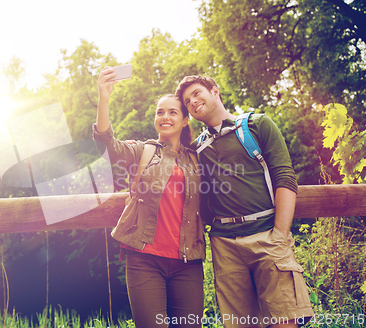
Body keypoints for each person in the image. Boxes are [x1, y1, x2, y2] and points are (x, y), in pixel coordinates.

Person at [175, 75, 314, 328]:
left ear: (215, 92)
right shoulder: (196, 149)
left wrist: (280, 235)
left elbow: (284, 177)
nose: (193, 101)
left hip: (268, 236)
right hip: (224, 245)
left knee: (285, 320)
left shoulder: (257, 125)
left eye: (197, 93)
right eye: (187, 101)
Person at [94, 67, 205, 327]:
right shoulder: (143, 151)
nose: (165, 117)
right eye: (160, 112)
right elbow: (108, 146)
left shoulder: (197, 156)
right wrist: (104, 99)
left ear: (185, 120)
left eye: (173, 112)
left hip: (187, 263)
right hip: (144, 259)